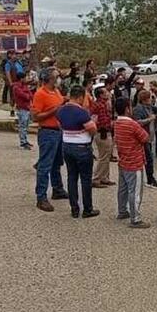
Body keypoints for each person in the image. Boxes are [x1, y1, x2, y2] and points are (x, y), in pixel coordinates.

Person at [56, 85, 99, 218]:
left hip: (67, 146)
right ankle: (87, 208)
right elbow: (92, 130)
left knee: (72, 177)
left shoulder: (61, 111)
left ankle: (74, 208)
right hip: (82, 147)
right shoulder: (82, 113)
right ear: (80, 97)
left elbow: (60, 125)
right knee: (85, 179)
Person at [31, 67, 68, 212]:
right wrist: (56, 109)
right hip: (47, 132)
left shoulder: (56, 91)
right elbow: (36, 116)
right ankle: (41, 197)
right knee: (45, 165)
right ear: (49, 79)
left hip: (58, 131)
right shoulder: (40, 94)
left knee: (57, 163)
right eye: (56, 76)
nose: (59, 78)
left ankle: (57, 189)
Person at [113, 97, 150, 228]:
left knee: (122, 189)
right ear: (127, 109)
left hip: (123, 160)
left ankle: (122, 210)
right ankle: (136, 218)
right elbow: (145, 137)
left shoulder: (117, 123)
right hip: (134, 162)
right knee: (134, 191)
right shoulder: (132, 124)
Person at [132, 88, 157, 188]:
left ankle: (150, 177)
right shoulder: (138, 109)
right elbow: (137, 122)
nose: (151, 99)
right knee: (148, 158)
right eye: (149, 98)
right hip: (143, 136)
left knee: (149, 157)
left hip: (150, 136)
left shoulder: (150, 108)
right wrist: (150, 119)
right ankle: (150, 178)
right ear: (144, 99)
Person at [90, 86, 115, 188]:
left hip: (105, 131)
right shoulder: (99, 105)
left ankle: (104, 177)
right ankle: (96, 178)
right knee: (103, 156)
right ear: (101, 95)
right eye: (105, 92)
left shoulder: (103, 104)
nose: (108, 93)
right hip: (102, 132)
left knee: (106, 155)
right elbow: (97, 119)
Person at [11, 72, 34, 150]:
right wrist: (27, 94)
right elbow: (26, 96)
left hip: (27, 107)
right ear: (21, 78)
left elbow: (30, 95)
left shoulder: (24, 86)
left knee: (26, 125)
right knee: (23, 125)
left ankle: (25, 140)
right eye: (25, 78)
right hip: (22, 108)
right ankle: (23, 142)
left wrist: (28, 95)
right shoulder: (16, 87)